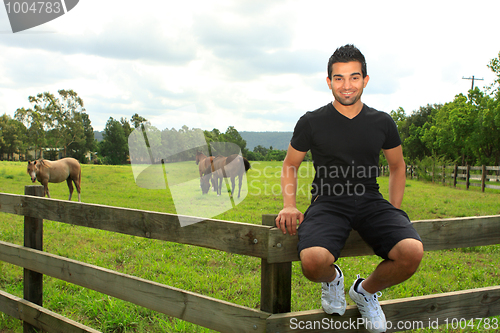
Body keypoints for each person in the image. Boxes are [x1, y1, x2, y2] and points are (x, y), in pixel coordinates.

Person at [275, 44, 423, 333]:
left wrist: (394, 208)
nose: (347, 85)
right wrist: (289, 204)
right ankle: (333, 280)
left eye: (354, 77)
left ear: (365, 80)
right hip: (328, 201)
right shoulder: (311, 121)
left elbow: (397, 165)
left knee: (411, 252)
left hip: (370, 200)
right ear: (329, 81)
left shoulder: (382, 122)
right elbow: (290, 165)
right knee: (313, 261)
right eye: (339, 78)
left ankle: (365, 291)